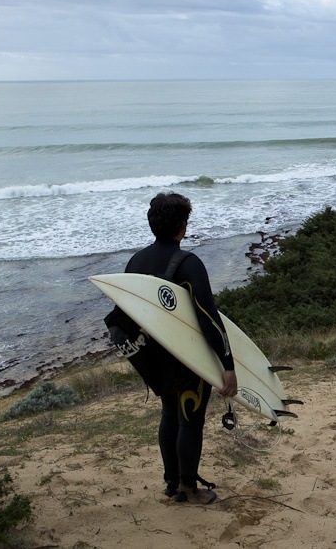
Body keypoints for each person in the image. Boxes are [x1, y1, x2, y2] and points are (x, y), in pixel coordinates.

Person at [125, 192, 238, 504]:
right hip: (187, 360)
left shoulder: (135, 262)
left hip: (155, 359)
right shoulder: (188, 263)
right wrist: (227, 363)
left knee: (170, 416)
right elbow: (208, 319)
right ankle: (187, 489)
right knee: (190, 420)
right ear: (183, 225)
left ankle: (172, 483)